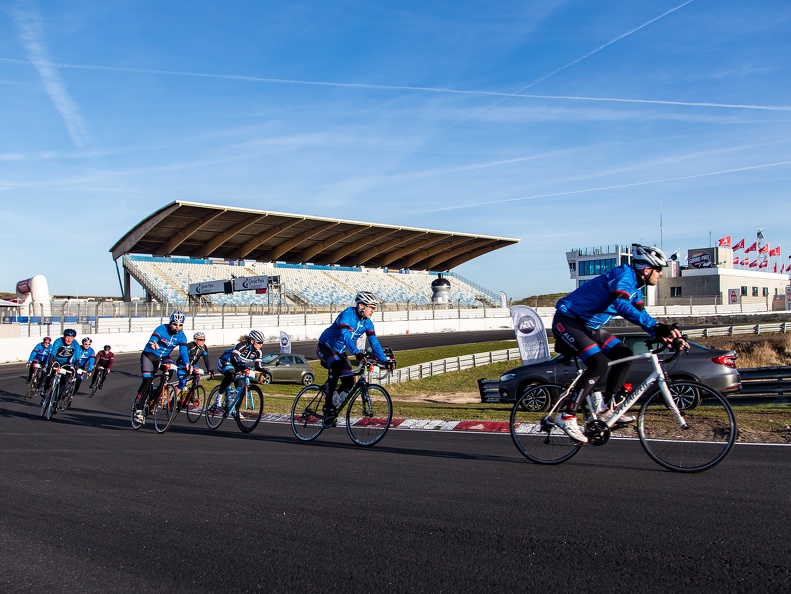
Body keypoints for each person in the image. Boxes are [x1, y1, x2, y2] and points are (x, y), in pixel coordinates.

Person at [551, 244, 687, 443]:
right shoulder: (625, 275)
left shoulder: (637, 289)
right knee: (598, 363)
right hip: (568, 320)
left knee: (623, 354)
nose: (660, 275)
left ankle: (606, 408)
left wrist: (663, 334)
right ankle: (567, 416)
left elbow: (641, 315)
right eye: (658, 270)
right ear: (646, 269)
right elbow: (620, 304)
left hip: (589, 326)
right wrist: (656, 326)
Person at [316, 291, 394, 423]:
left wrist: (385, 361)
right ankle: (328, 405)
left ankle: (332, 397)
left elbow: (374, 343)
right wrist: (356, 352)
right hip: (325, 346)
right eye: (371, 307)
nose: (373, 311)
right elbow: (345, 336)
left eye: (374, 308)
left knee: (349, 383)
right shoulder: (347, 315)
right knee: (336, 365)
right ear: (361, 306)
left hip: (340, 351)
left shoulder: (367, 323)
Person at [133, 311, 190, 426]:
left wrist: (187, 363)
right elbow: (153, 338)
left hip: (164, 357)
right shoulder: (162, 328)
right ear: (170, 323)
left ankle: (157, 395)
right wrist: (153, 343)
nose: (177, 327)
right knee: (148, 380)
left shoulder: (182, 336)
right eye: (175, 324)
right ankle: (138, 411)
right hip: (149, 355)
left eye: (180, 325)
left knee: (171, 371)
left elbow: (183, 351)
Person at [214, 331, 265, 404]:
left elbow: (257, 366)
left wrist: (263, 371)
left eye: (262, 342)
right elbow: (233, 358)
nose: (261, 345)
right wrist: (241, 367)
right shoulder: (242, 345)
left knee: (240, 390)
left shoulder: (258, 352)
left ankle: (236, 412)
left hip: (238, 365)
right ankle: (219, 395)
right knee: (231, 374)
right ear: (252, 341)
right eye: (259, 342)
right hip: (226, 362)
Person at [42, 329, 79, 400]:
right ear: (64, 336)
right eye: (67, 337)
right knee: (51, 373)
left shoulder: (75, 344)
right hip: (56, 360)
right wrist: (50, 362)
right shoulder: (58, 341)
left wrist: (77, 365)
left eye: (71, 338)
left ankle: (58, 398)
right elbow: (53, 352)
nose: (69, 340)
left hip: (66, 362)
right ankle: (45, 388)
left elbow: (77, 356)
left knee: (64, 380)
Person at [176, 332, 213, 400]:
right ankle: (173, 400)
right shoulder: (190, 345)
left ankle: (191, 393)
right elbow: (184, 355)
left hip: (193, 365)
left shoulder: (204, 347)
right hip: (182, 365)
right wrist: (187, 365)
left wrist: (209, 369)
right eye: (200, 340)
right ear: (195, 340)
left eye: (204, 340)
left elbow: (206, 359)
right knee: (182, 383)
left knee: (198, 374)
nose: (203, 341)